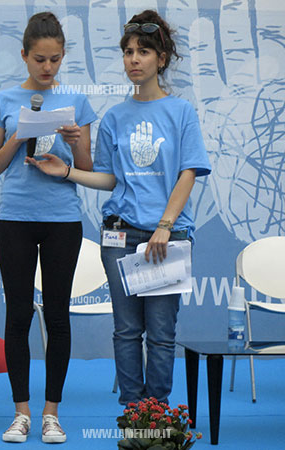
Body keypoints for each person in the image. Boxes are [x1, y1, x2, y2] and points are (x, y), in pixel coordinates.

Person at [26, 9, 211, 407]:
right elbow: (110, 178)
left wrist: (165, 224)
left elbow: (188, 172)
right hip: (121, 235)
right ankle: (133, 414)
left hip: (167, 237)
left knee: (161, 333)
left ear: (161, 59)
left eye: (143, 51)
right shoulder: (114, 117)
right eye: (128, 52)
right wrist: (67, 172)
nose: (133, 60)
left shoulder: (181, 112)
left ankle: (157, 417)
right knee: (126, 331)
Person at [0, 11, 97, 444]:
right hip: (14, 217)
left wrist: (75, 143)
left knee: (58, 315)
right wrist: (19, 134)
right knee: (16, 316)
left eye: (55, 60)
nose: (47, 68)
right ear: (25, 57)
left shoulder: (77, 104)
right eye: (39, 60)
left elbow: (86, 169)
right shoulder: (4, 100)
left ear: (63, 56)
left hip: (62, 220)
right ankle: (21, 413)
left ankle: (51, 413)